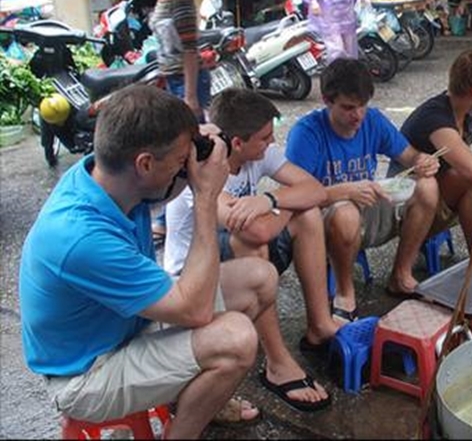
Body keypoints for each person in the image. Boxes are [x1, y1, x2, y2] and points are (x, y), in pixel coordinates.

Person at [19, 85, 285, 438]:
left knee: (258, 278)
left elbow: (166, 177)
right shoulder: (81, 236)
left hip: (124, 324)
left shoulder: (109, 175)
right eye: (180, 161)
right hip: (86, 375)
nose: (185, 168)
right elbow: (195, 311)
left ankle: (197, 397)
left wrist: (196, 142)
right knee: (236, 339)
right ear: (144, 163)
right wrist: (206, 197)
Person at [163, 88, 337, 410]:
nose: (272, 142)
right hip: (190, 282)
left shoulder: (258, 153)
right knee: (251, 241)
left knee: (309, 214)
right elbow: (258, 231)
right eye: (265, 138)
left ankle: (320, 325)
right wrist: (285, 202)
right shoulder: (201, 171)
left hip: (231, 263)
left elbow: (316, 191)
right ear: (238, 143)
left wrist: (270, 199)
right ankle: (277, 364)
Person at [285, 58, 440, 320]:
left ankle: (401, 276)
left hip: (365, 206)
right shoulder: (306, 133)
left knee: (427, 187)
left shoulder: (373, 121)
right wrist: (345, 191)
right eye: (348, 107)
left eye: (362, 106)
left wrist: (422, 161)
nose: (357, 115)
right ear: (327, 100)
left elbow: (409, 155)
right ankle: (345, 294)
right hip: (322, 221)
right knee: (346, 212)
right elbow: (292, 197)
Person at [388, 49, 472, 261]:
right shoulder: (436, 118)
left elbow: (463, 162)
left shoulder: (465, 113)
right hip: (411, 202)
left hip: (442, 186)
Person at [130, 0, 210, 122]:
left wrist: (190, 97)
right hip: (172, 79)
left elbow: (189, 49)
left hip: (186, 82)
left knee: (191, 135)